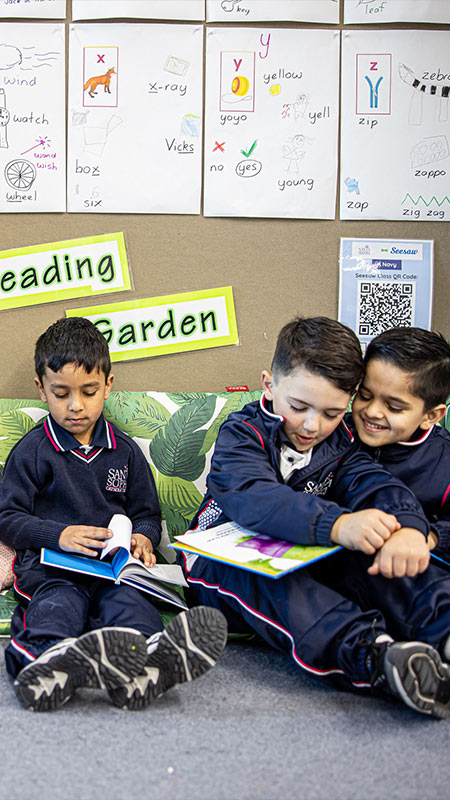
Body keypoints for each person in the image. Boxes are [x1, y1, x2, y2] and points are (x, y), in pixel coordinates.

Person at [178, 316, 450, 719]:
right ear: (269, 385)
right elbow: (255, 498)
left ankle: (443, 629)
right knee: (274, 579)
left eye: (332, 413)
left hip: (305, 554)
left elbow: (376, 484)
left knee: (378, 552)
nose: (311, 425)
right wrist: (337, 525)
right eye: (298, 407)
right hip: (218, 562)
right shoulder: (243, 433)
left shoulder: (340, 443)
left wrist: (409, 528)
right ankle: (375, 657)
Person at [0, 317, 226, 712]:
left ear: (107, 385)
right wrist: (59, 535)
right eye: (61, 394)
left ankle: (146, 663)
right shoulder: (33, 452)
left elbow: (146, 514)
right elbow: (7, 518)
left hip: (113, 570)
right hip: (54, 569)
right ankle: (45, 661)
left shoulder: (125, 451)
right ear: (41, 389)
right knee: (58, 608)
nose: (75, 406)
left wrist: (142, 538)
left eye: (89, 392)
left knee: (130, 605)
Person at [350, 325, 450, 567]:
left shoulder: (444, 461)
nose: (372, 412)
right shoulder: (335, 433)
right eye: (364, 396)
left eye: (394, 407)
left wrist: (428, 537)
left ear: (431, 416)